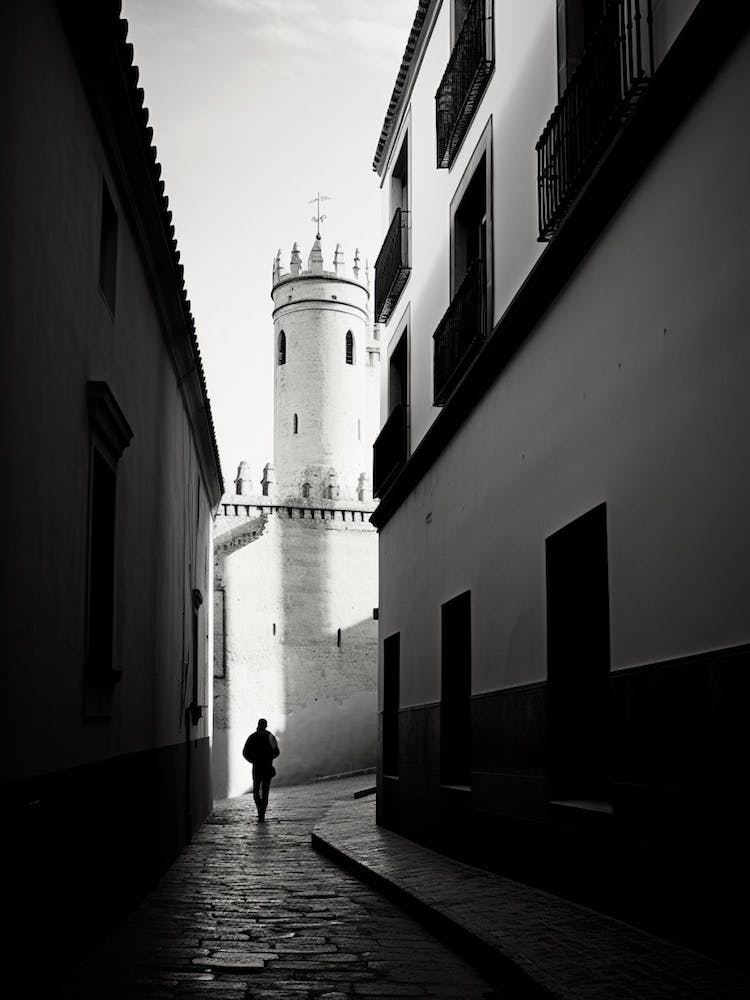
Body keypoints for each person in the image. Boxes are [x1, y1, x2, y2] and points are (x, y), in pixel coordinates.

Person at [242, 718, 280, 822]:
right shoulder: (270, 736)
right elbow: (277, 752)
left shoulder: (252, 737)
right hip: (267, 767)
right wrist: (269, 758)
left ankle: (260, 810)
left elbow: (245, 752)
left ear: (258, 725)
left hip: (257, 767)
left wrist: (254, 761)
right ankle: (262, 811)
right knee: (265, 790)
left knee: (256, 790)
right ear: (266, 726)